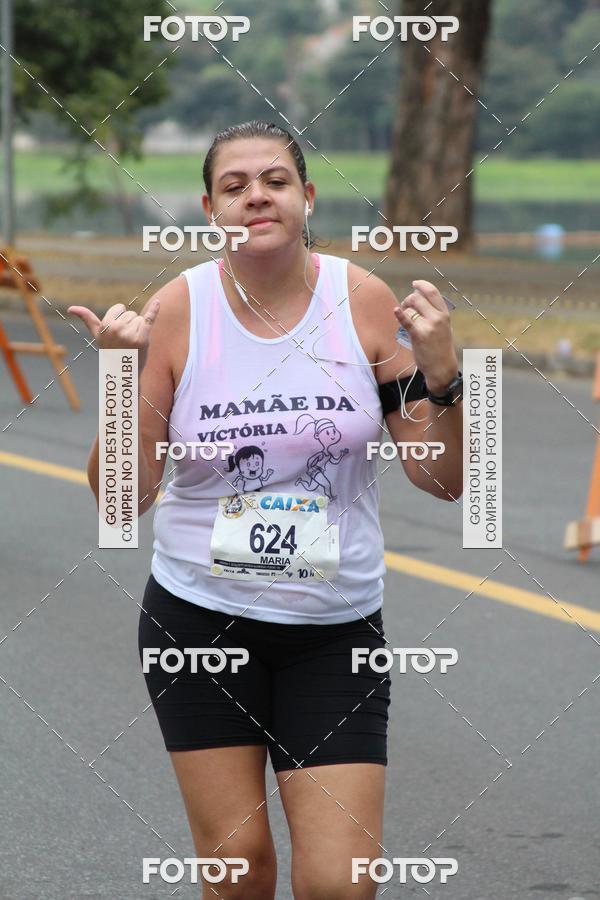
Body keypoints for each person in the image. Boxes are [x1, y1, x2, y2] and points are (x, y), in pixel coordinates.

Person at [70, 120, 463, 900]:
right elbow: (122, 501)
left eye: (275, 181)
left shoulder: (361, 299)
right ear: (211, 207)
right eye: (235, 185)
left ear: (308, 197)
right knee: (240, 868)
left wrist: (449, 381)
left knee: (341, 883)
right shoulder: (181, 308)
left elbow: (444, 480)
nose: (257, 197)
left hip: (335, 630)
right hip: (197, 623)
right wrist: (121, 375)